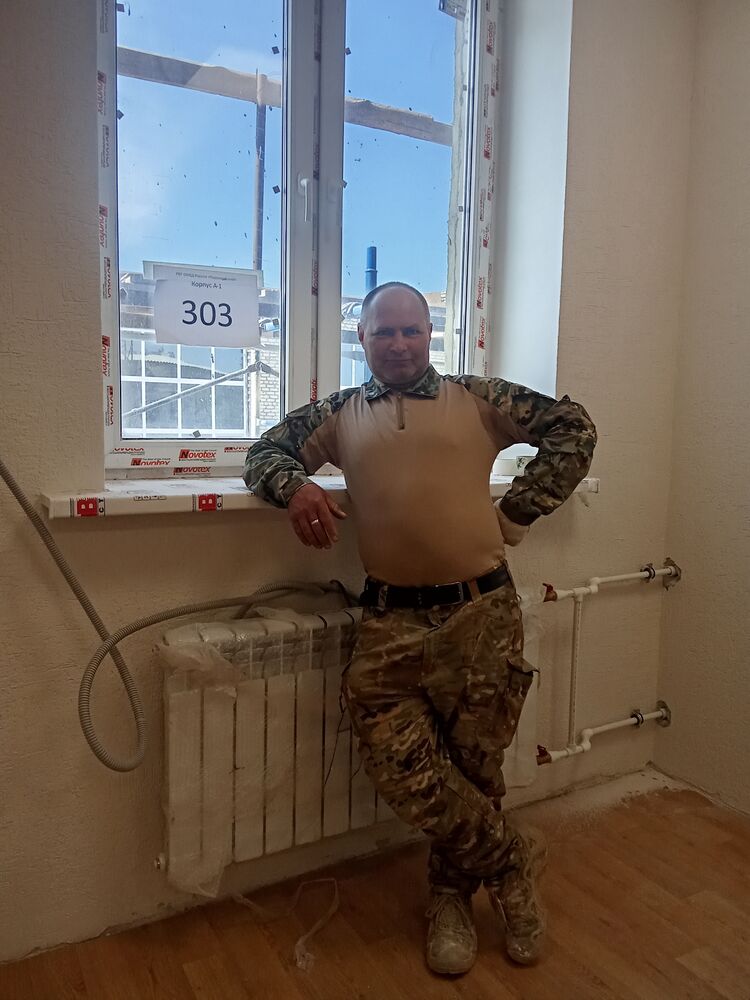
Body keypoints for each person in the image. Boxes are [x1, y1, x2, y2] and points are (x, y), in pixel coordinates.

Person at [243, 282, 596, 976]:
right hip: (389, 620)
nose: (399, 344)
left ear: (430, 333)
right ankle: (512, 859)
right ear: (362, 338)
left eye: (411, 331)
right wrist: (298, 486)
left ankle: (450, 900)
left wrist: (518, 511)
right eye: (384, 332)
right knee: (398, 763)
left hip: (480, 614)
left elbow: (573, 429)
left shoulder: (476, 398)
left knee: (475, 767)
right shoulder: (340, 414)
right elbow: (265, 452)